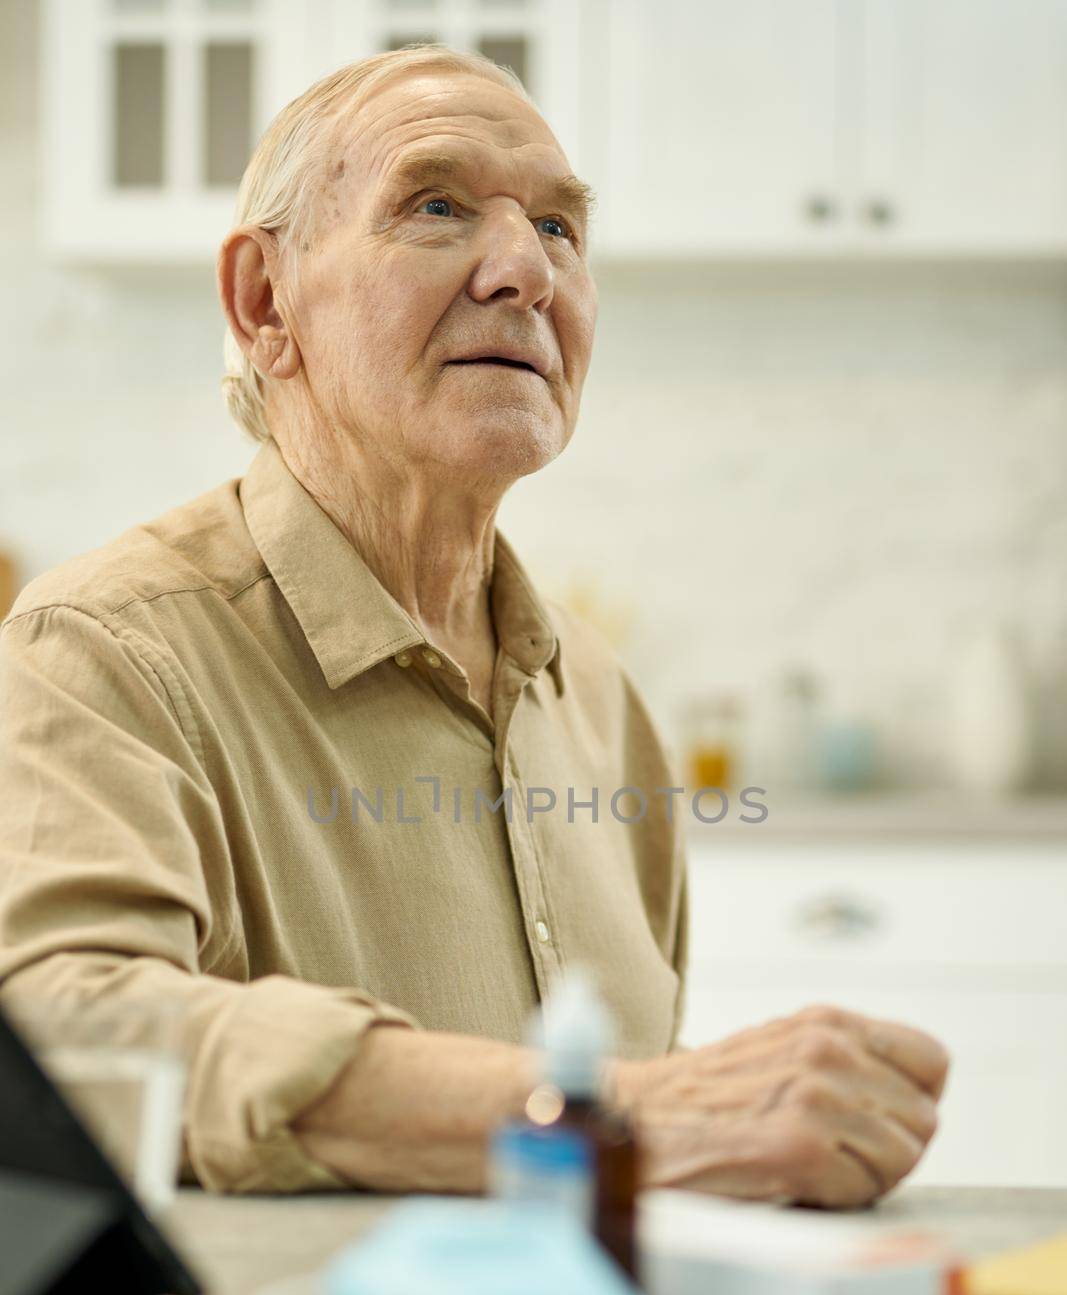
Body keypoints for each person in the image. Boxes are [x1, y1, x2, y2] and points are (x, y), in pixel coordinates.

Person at [0, 45, 947, 1204]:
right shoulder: (101, 650)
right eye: (436, 206)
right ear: (264, 303)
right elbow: (63, 1036)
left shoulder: (597, 697)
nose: (523, 271)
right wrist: (611, 1120)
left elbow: (633, 1117)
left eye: (558, 228)